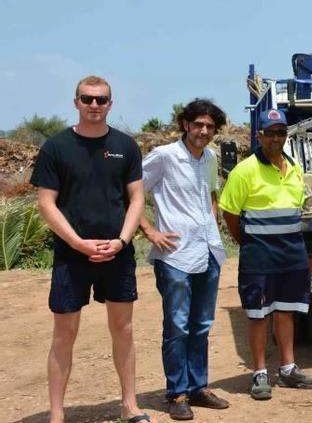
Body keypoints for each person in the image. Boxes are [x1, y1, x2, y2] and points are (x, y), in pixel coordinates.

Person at [31, 76, 149, 423]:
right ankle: (56, 414)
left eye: (101, 100)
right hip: (72, 255)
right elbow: (46, 203)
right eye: (87, 99)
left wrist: (122, 240)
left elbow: (137, 197)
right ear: (76, 102)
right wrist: (77, 243)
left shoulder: (126, 146)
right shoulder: (56, 147)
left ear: (111, 104)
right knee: (64, 333)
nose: (94, 106)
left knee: (123, 329)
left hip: (118, 253)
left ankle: (130, 405)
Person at [219, 108, 312, 401]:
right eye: (270, 133)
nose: (276, 138)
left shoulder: (295, 167)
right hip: (259, 256)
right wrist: (249, 244)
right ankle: (260, 374)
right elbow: (230, 215)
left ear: (285, 135)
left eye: (281, 132)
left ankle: (288, 369)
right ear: (259, 135)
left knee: (286, 311)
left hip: (291, 253)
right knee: (257, 315)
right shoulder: (244, 171)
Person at [140, 99, 230, 420]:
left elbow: (212, 195)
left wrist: (213, 223)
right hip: (175, 256)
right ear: (185, 124)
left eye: (209, 126)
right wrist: (150, 230)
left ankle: (198, 388)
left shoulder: (210, 158)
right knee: (177, 326)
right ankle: (177, 392)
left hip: (208, 252)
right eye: (198, 124)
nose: (203, 131)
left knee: (202, 325)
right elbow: (130, 190)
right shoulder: (164, 157)